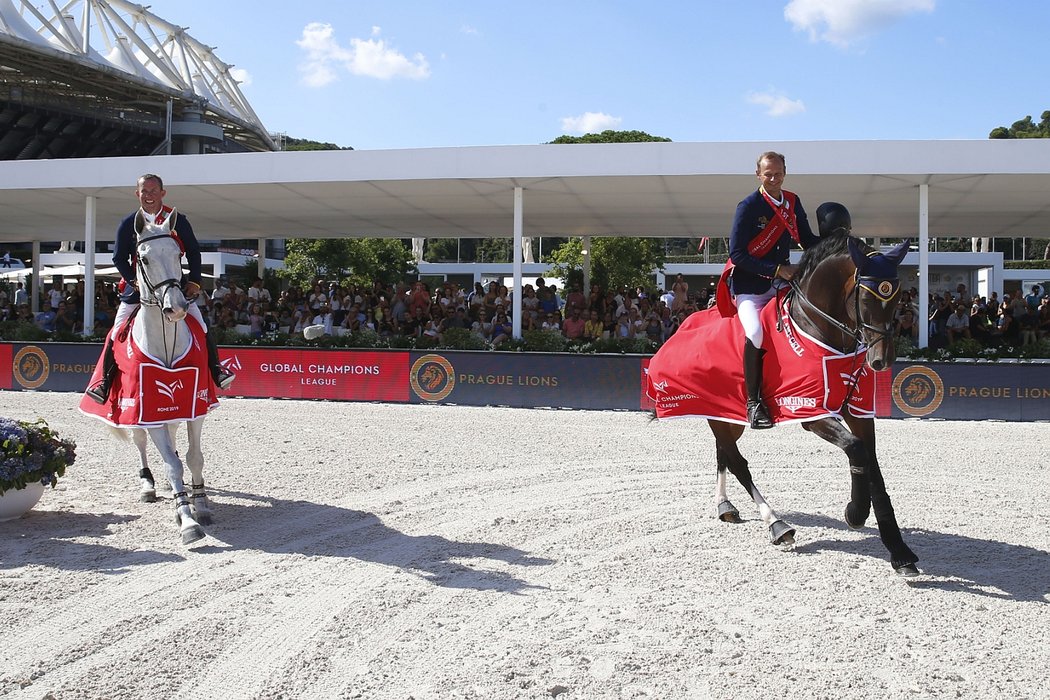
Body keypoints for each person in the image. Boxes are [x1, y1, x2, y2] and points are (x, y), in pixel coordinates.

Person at [85, 174, 234, 404]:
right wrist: (133, 279)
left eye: (154, 191)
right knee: (116, 330)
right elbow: (118, 257)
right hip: (140, 290)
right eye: (145, 191)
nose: (149, 195)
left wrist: (194, 282)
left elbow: (194, 252)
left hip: (173, 287)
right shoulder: (129, 223)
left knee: (200, 324)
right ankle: (104, 382)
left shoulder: (178, 220)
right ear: (137, 194)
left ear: (163, 193)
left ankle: (217, 370)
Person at [724, 151, 821, 429]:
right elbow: (738, 255)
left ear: (785, 172)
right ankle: (753, 404)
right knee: (755, 332)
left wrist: (834, 238)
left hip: (781, 284)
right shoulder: (749, 206)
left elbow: (806, 240)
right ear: (758, 175)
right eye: (768, 174)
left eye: (778, 173)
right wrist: (777, 270)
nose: (774, 178)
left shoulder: (792, 201)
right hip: (750, 287)